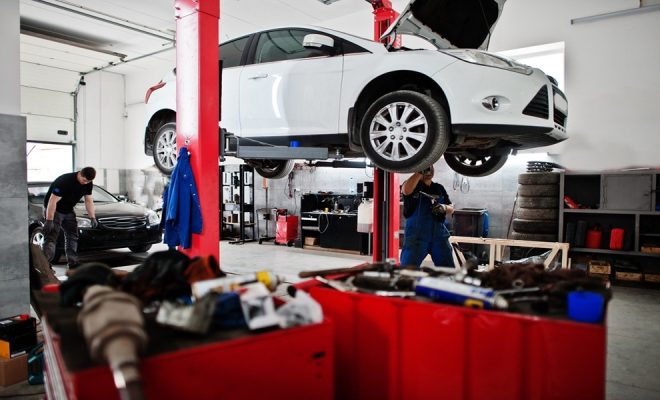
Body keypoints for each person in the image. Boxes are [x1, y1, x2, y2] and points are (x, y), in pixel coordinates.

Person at [400, 165, 454, 268]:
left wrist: (444, 207)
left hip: (439, 236)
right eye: (426, 167)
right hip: (416, 237)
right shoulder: (412, 186)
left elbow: (451, 208)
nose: (429, 170)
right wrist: (420, 171)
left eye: (431, 167)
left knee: (447, 270)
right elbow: (406, 190)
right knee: (408, 270)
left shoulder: (439, 188)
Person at [42, 167, 97, 269]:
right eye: (84, 180)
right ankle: (45, 266)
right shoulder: (64, 181)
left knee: (72, 235)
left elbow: (88, 200)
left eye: (88, 181)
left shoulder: (88, 183)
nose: (85, 183)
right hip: (54, 209)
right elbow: (52, 201)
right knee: (51, 237)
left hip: (68, 210)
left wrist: (92, 217)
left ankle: (73, 263)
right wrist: (49, 220)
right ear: (80, 174)